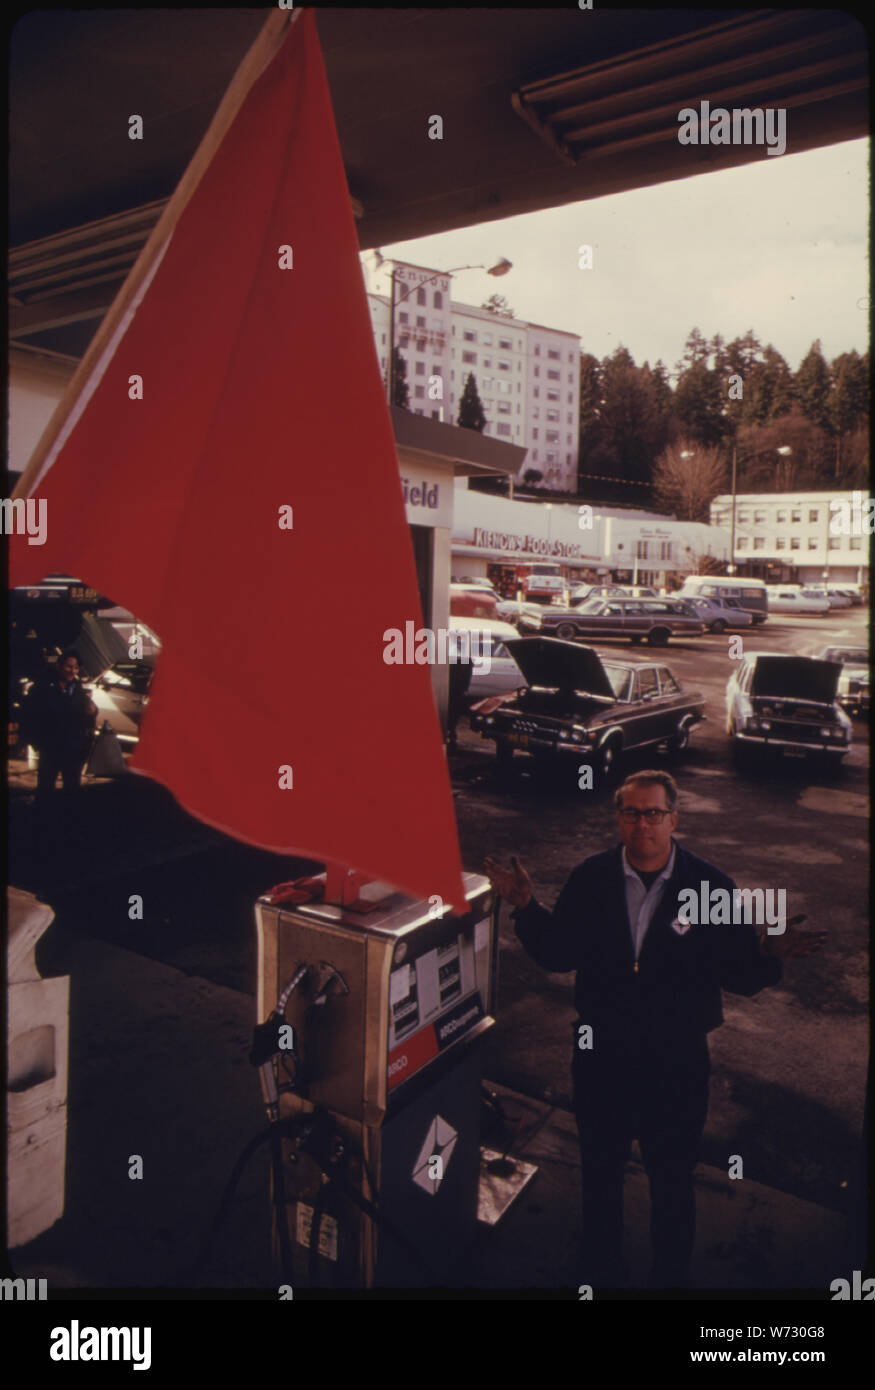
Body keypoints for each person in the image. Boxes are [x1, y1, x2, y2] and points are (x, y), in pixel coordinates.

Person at [484, 769, 824, 1289]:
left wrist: (767, 954)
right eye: (632, 812)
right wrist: (527, 908)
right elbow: (558, 952)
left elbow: (740, 976)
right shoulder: (592, 878)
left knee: (671, 1182)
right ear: (619, 818)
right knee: (600, 1175)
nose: (643, 823)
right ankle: (599, 1271)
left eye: (654, 813)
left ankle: (669, 1278)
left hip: (677, 1066)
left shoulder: (709, 887)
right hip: (602, 1061)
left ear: (675, 819)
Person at [22, 649, 98, 808]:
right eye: (69, 667)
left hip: (73, 750)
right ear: (59, 665)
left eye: (76, 668)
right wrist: (36, 742)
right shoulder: (42, 687)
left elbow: (88, 713)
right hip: (50, 748)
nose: (73, 671)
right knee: (45, 790)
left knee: (72, 791)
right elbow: (30, 715)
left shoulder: (77, 688)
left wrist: (93, 710)